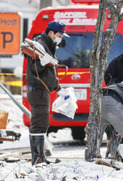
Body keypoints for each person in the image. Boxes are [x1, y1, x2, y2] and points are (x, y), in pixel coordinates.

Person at [26, 21, 68, 165]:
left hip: (39, 90)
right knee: (39, 123)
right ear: (50, 33)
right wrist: (57, 87)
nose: (60, 37)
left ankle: (39, 157)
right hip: (38, 90)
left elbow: (46, 71)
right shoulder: (40, 45)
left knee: (41, 122)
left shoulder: (45, 45)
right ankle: (37, 159)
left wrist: (57, 88)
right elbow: (38, 69)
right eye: (59, 34)